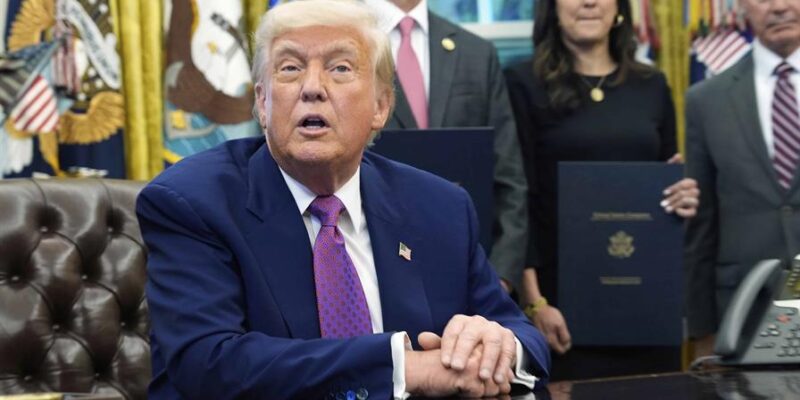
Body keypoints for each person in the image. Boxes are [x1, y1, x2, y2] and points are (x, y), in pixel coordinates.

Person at [136, 0, 550, 398]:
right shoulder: (193, 203)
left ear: (381, 106)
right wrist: (404, 369)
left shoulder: (441, 207)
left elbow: (523, 337)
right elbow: (210, 363)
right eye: (290, 67)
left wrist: (497, 348)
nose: (312, 88)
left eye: (340, 68)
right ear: (262, 102)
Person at [504, 0, 698, 377]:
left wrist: (684, 196)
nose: (589, 2)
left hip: (647, 305)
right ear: (552, 9)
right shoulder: (521, 83)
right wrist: (534, 302)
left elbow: (668, 183)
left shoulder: (653, 84)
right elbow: (518, 197)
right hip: (560, 310)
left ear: (619, 8)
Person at [364, 0, 529, 292]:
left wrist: (500, 281)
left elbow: (509, 177)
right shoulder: (342, 44)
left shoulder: (476, 53)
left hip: (469, 272)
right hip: (373, 273)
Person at [685, 0, 800, 358]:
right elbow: (701, 225)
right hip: (743, 314)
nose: (779, 7)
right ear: (741, 7)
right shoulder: (706, 100)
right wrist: (702, 329)